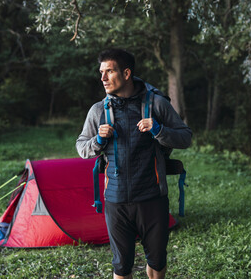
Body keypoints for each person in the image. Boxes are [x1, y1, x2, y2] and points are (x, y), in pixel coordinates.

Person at [76, 48, 192, 279]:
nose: (103, 78)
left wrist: (159, 130)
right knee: (121, 266)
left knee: (157, 262)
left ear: (126, 73)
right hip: (116, 201)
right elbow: (81, 148)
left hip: (152, 197)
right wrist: (98, 140)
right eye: (101, 72)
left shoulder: (156, 104)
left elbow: (185, 137)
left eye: (109, 71)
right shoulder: (98, 110)